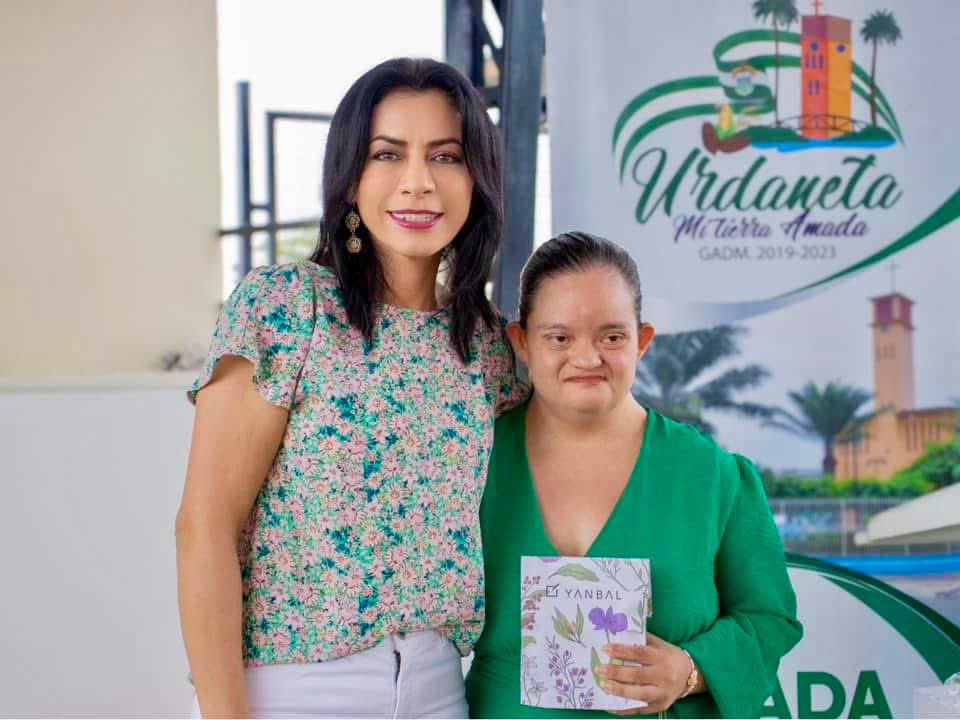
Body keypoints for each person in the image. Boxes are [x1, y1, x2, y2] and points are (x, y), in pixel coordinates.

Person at [175, 57, 523, 719]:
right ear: (350, 178)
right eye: (387, 154)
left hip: (439, 689)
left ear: (476, 178)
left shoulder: (484, 346)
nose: (418, 182)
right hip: (292, 692)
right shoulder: (288, 309)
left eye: (446, 156)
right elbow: (204, 528)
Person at [464, 232, 802, 718]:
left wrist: (690, 670)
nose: (587, 358)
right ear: (522, 342)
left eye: (612, 337)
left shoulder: (712, 476)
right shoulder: (473, 465)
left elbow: (769, 618)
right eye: (559, 338)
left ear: (642, 342)